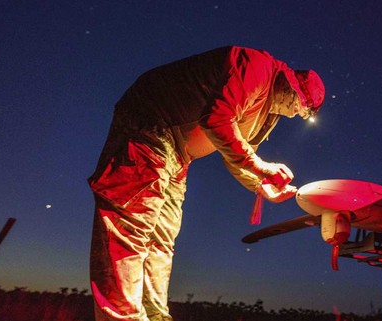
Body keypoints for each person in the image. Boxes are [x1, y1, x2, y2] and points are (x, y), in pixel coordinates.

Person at [87, 46, 325, 321]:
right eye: (298, 104)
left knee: (162, 239)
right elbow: (217, 121)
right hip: (148, 128)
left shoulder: (267, 113)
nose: (295, 113)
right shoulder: (257, 68)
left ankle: (155, 315)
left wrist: (260, 185)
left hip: (178, 155)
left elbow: (234, 152)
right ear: (290, 85)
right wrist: (261, 167)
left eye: (302, 112)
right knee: (130, 228)